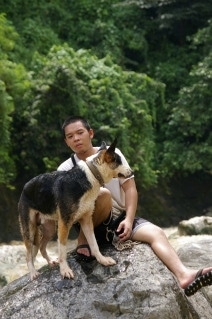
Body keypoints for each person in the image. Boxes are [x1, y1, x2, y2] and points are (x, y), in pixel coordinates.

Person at [57, 115, 212, 296]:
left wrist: (129, 220)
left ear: (90, 133)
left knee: (156, 233)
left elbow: (130, 188)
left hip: (119, 219)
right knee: (103, 195)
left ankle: (184, 275)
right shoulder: (64, 169)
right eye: (70, 136)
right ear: (66, 142)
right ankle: (84, 240)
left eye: (80, 133)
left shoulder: (113, 155)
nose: (76, 138)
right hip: (90, 221)